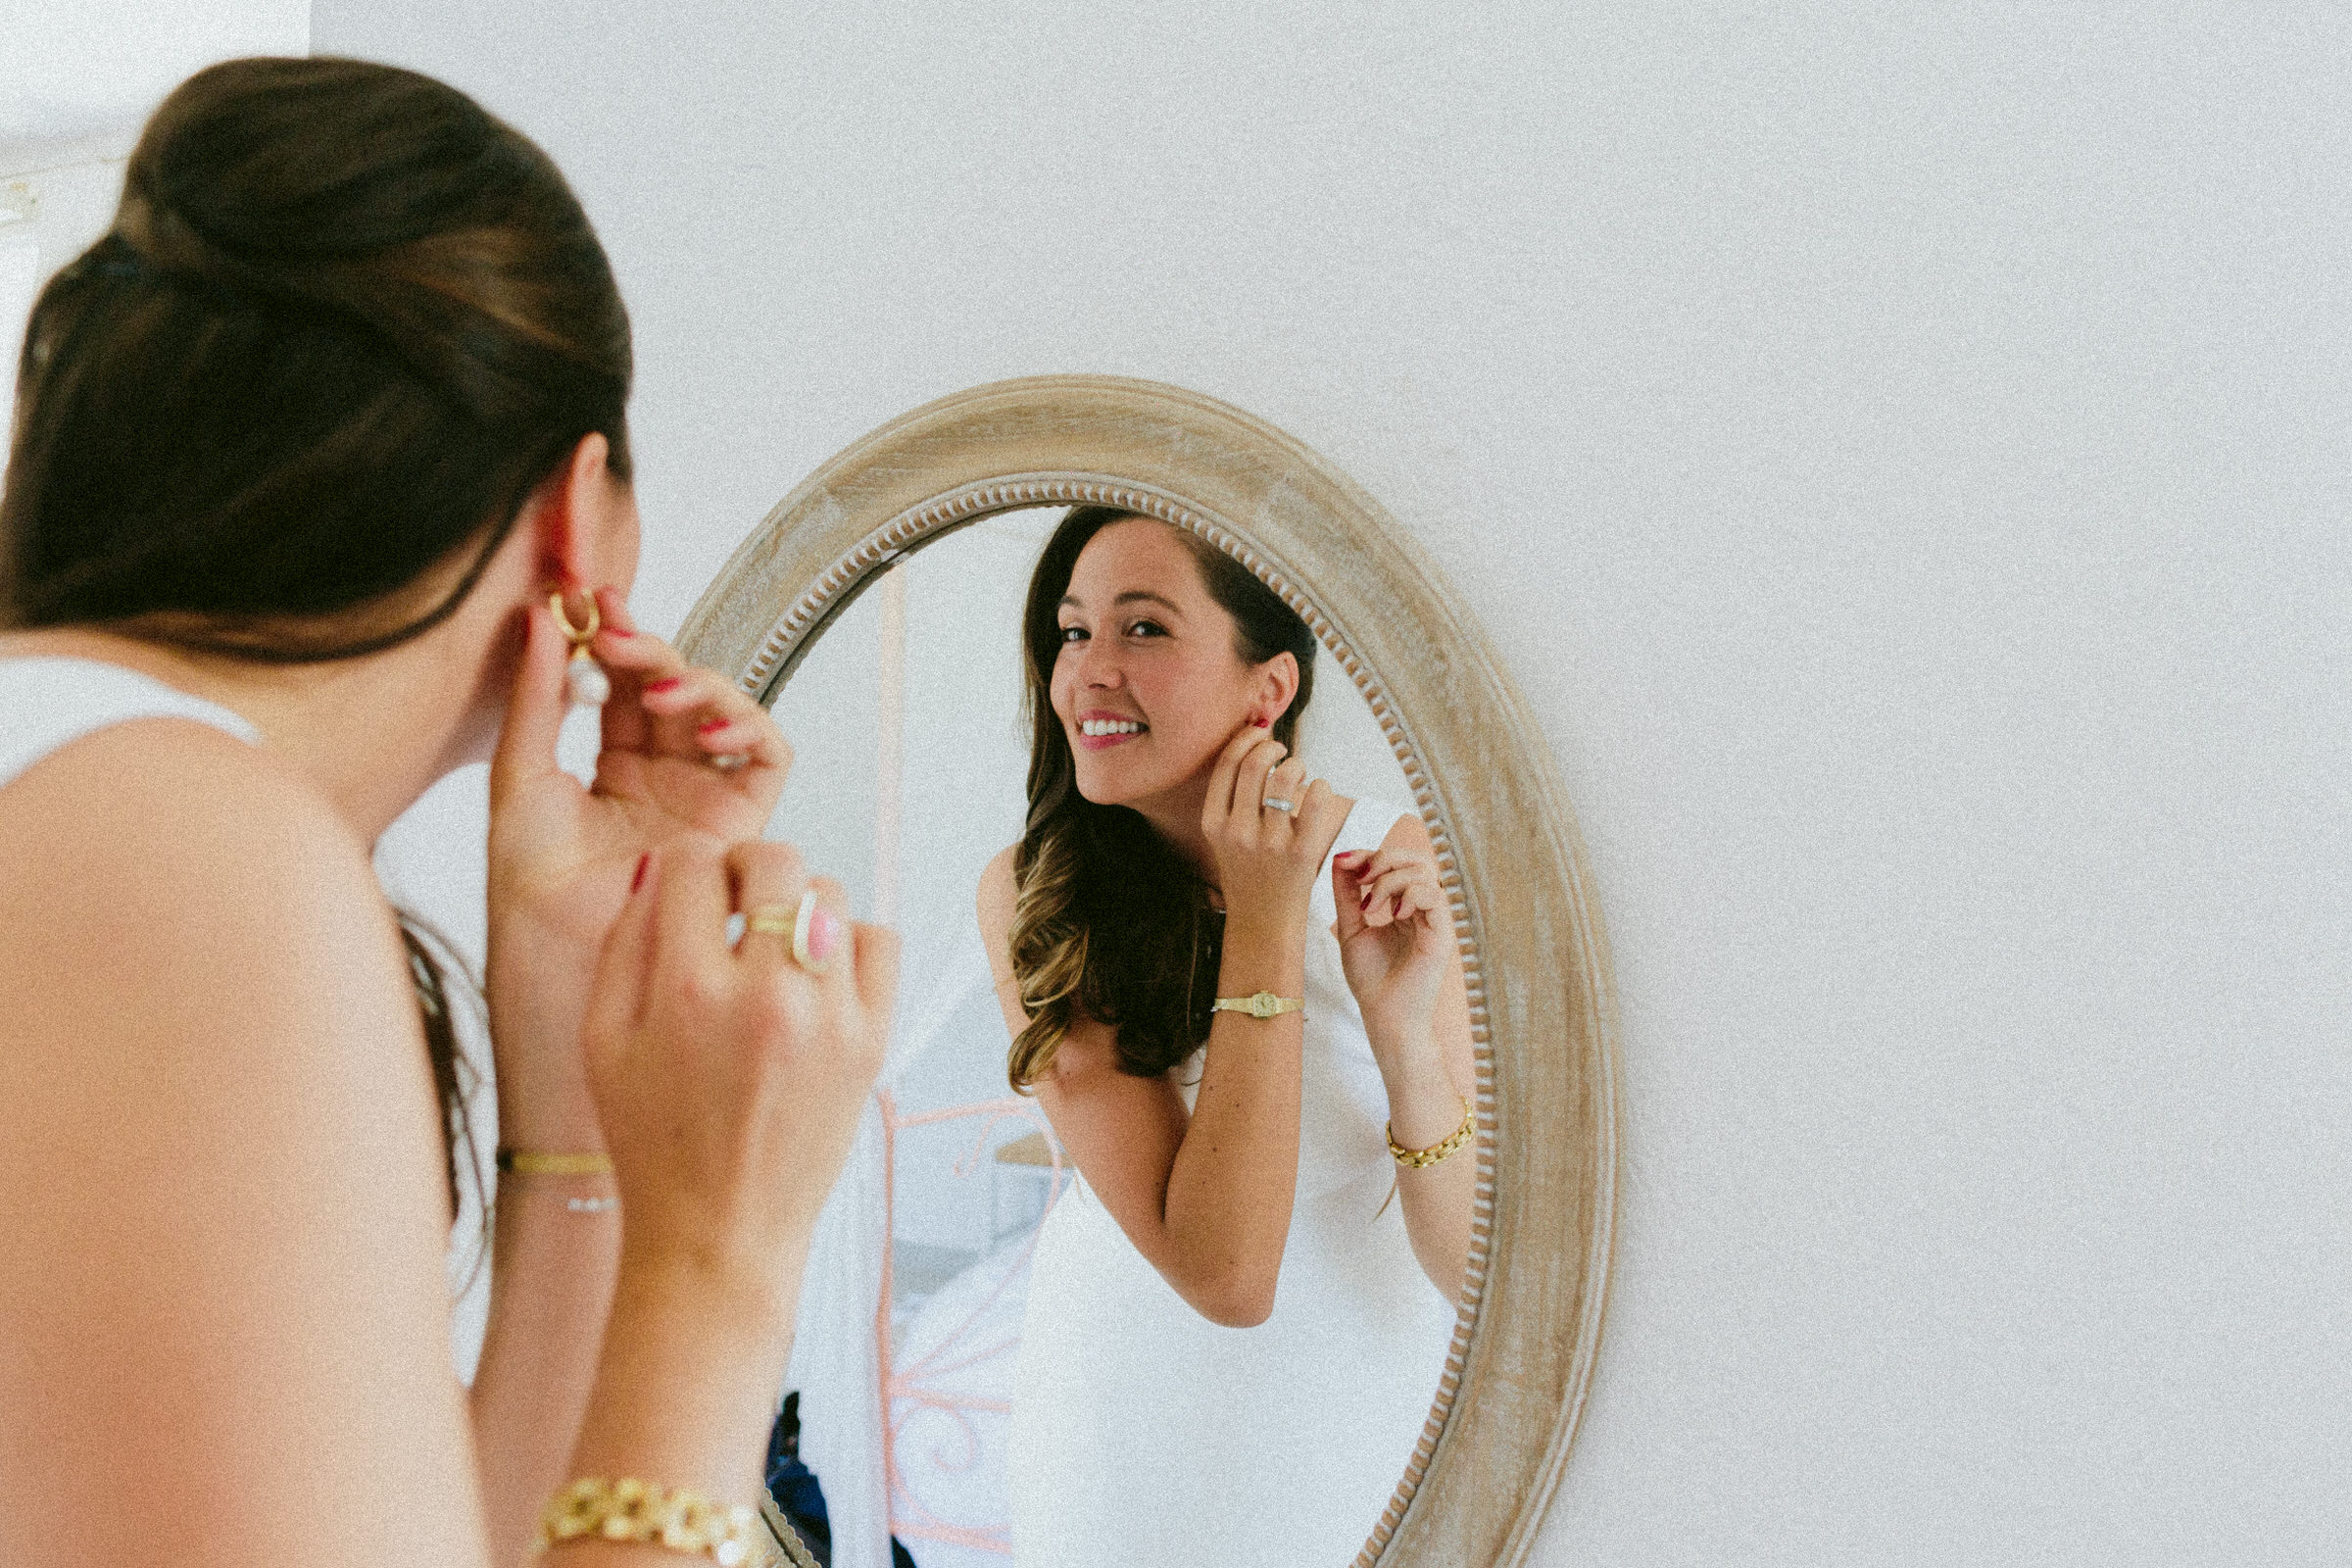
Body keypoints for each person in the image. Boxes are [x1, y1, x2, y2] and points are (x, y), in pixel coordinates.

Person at [0, 58, 896, 1568]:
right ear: (576, 513)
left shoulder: (93, 795)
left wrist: (564, 1057)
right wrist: (724, 1257)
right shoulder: (188, 856)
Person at [975, 508, 1479, 1568]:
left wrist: (1403, 1037)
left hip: (1354, 1420)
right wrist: (1264, 918)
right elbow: (1225, 1273)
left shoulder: (1402, 860)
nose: (1089, 674)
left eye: (1143, 629)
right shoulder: (1037, 893)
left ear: (1271, 687)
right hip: (1122, 1434)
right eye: (1073, 634)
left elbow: (1474, 1273)